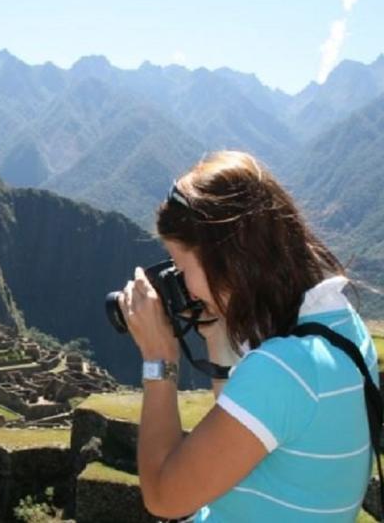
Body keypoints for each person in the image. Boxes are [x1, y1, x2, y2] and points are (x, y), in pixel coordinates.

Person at [116, 151, 379, 521]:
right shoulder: (340, 325)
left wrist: (159, 361)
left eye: (183, 268)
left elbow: (163, 497)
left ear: (221, 260)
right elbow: (251, 439)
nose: (186, 290)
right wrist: (218, 342)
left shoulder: (284, 369)